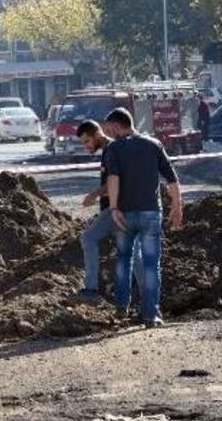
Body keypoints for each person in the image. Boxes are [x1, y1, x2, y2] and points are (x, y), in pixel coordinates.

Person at [104, 108, 183, 328]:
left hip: (125, 214)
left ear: (118, 126)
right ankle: (151, 315)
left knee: (123, 259)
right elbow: (172, 179)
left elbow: (113, 178)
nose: (109, 134)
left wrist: (113, 208)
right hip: (151, 212)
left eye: (110, 129)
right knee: (151, 265)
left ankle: (122, 308)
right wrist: (177, 205)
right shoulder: (154, 145)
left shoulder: (114, 148)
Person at [76, 120, 143, 302]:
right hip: (126, 208)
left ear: (97, 134)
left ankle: (91, 290)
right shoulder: (113, 148)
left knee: (88, 238)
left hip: (118, 208)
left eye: (87, 141)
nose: (85, 146)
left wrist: (94, 194)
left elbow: (115, 178)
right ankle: (148, 295)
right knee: (132, 252)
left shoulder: (112, 150)